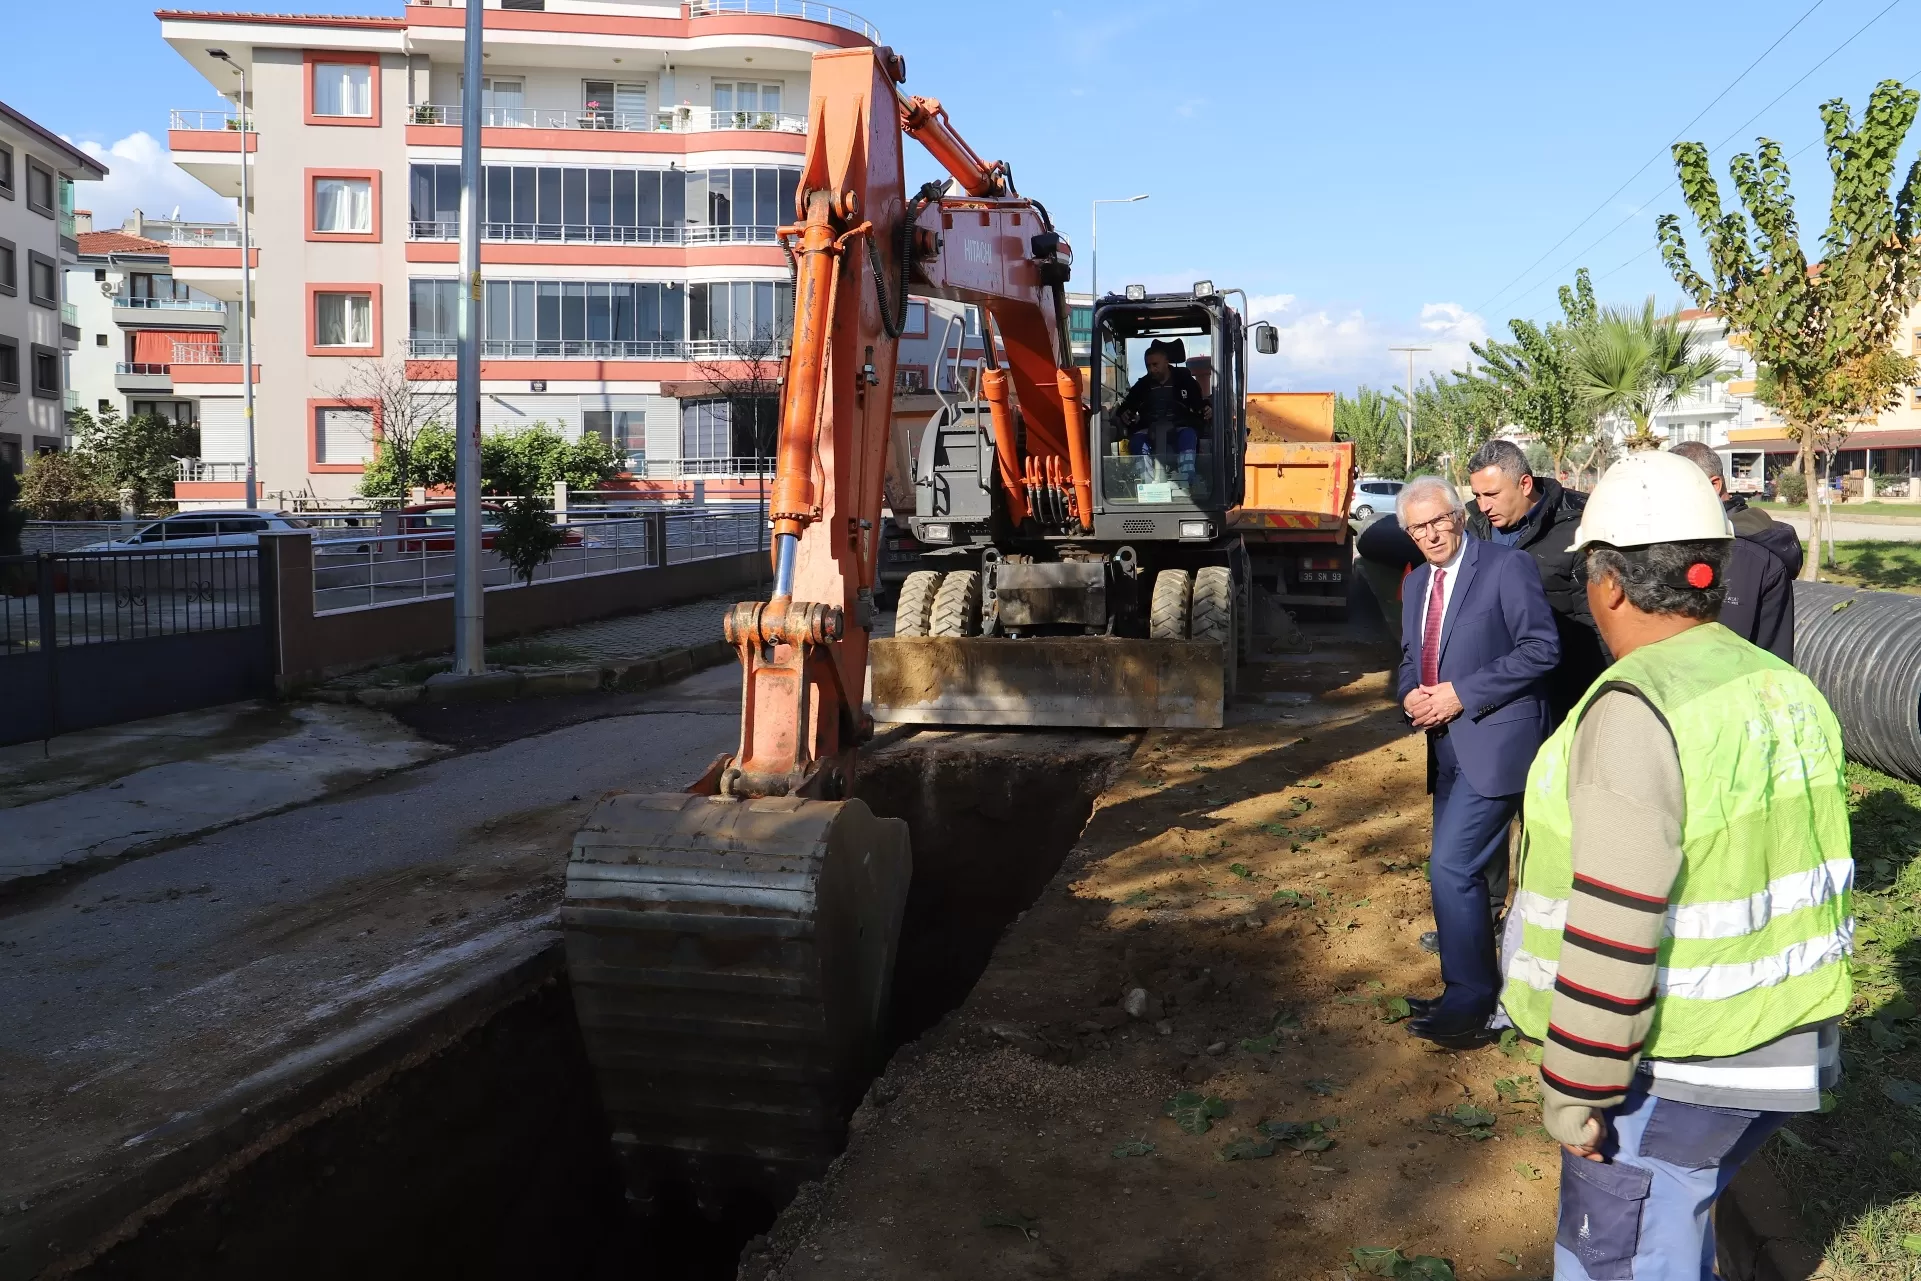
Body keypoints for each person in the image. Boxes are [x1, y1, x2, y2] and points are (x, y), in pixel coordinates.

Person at [1498, 450, 1851, 1281]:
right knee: (1676, 1227)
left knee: (1620, 1259)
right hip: (1783, 1045)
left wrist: (1577, 1084)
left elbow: (1614, 917)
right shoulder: (1779, 686)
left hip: (1674, 1067)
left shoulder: (1634, 708)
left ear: (1608, 585)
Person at [1394, 476, 1560, 1050]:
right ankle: (1464, 988)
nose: (1430, 534)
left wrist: (1463, 692)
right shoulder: (1416, 584)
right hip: (1444, 746)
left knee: (1452, 867)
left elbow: (1542, 648)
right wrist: (1410, 694)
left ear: (1459, 516)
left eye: (1438, 520)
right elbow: (1412, 657)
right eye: (1417, 528)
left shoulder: (1503, 568)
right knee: (1457, 873)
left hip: (1498, 744)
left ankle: (1471, 1002)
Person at [1464, 440, 1607, 723]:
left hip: (1561, 696)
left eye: (1492, 494)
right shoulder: (1475, 530)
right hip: (1494, 694)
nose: (1484, 506)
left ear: (1525, 484)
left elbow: (1597, 628)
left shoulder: (1575, 533)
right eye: (1477, 495)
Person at [1669, 441, 1795, 660]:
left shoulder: (1742, 553)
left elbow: (1724, 651)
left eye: (1673, 489)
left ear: (1715, 485)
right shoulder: (1696, 539)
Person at [1117, 340, 1209, 481]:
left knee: (1189, 435)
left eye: (1155, 365)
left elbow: (1199, 404)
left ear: (1166, 362)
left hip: (1180, 426)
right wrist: (1123, 412)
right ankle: (1147, 483)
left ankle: (1187, 480)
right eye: (1148, 366)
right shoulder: (1142, 385)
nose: (1152, 369)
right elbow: (1127, 405)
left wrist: (1208, 408)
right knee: (1136, 441)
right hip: (1149, 429)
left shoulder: (1185, 381)